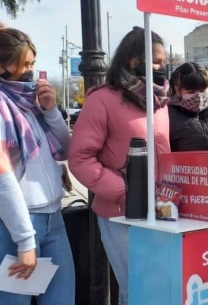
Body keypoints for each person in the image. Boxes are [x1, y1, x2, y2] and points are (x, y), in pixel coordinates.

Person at [0, 19, 74, 305]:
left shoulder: (25, 105)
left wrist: (50, 111)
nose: (31, 71)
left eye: (33, 63)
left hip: (51, 219)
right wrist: (25, 240)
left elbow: (65, 149)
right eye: (24, 64)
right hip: (6, 228)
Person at [68, 26, 170, 305]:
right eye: (157, 61)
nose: (162, 67)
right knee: (136, 289)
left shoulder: (160, 102)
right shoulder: (101, 100)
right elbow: (80, 158)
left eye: (164, 62)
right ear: (134, 61)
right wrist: (126, 190)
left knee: (158, 286)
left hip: (159, 210)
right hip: (120, 213)